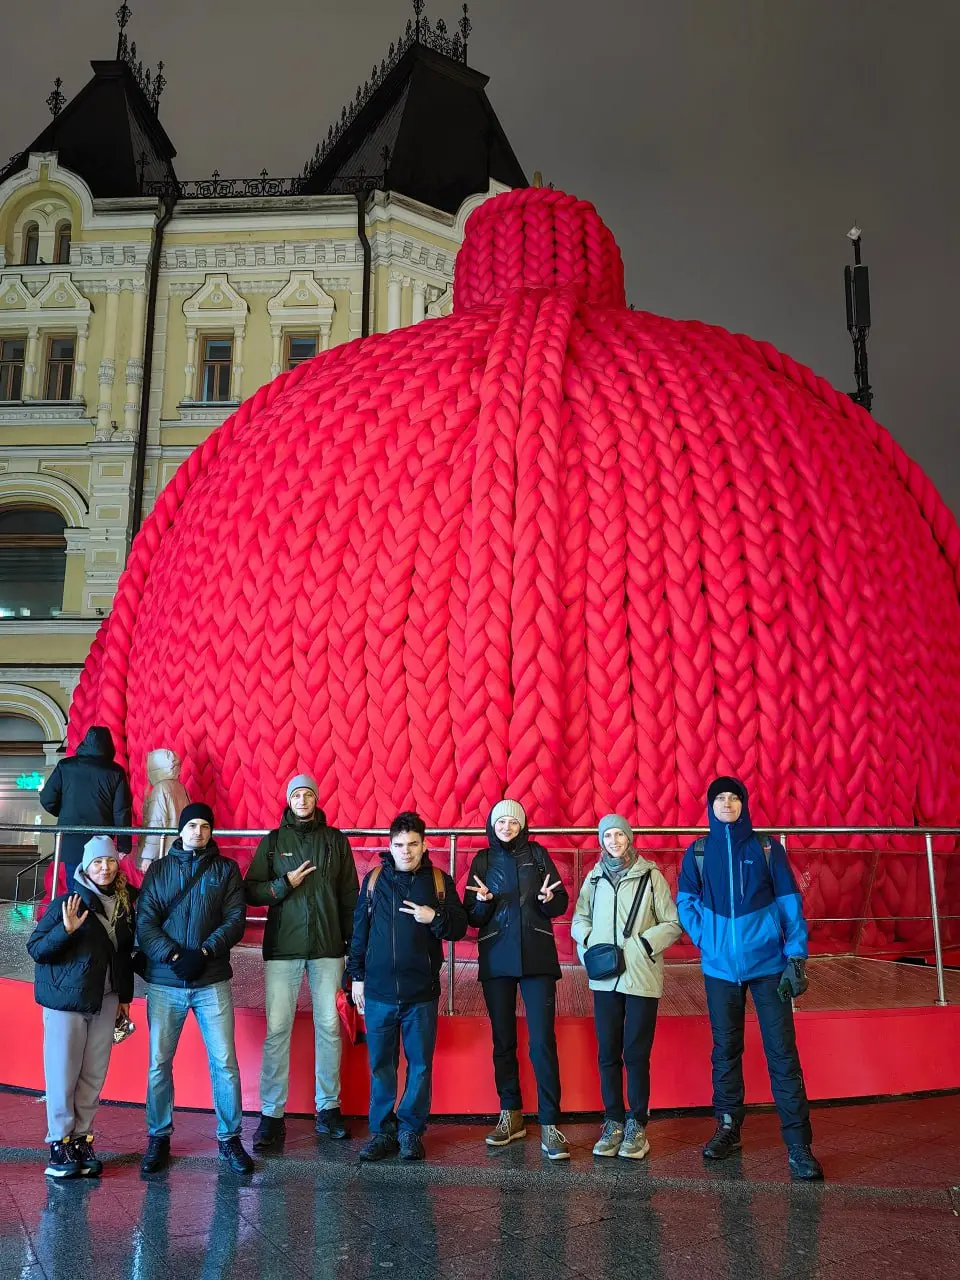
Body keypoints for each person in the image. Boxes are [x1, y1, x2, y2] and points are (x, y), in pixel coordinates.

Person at [676, 776, 823, 1181]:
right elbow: (685, 901)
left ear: (743, 804)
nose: (727, 804)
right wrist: (707, 938)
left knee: (782, 1053)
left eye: (733, 798)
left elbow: (790, 903)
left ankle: (799, 1145)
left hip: (769, 968)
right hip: (719, 971)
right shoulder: (698, 852)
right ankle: (728, 1128)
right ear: (710, 806)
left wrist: (796, 956)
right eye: (720, 798)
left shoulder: (767, 848)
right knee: (725, 1051)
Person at [136, 802, 253, 1175]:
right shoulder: (160, 870)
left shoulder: (225, 870)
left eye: (204, 826)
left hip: (211, 980)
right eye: (192, 826)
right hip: (165, 982)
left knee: (225, 1063)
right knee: (158, 1063)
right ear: (180, 830)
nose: (198, 832)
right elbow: (145, 921)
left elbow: (235, 920)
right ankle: (158, 1137)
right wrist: (173, 955)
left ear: (211, 831)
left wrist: (204, 952)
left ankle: (230, 1138)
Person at [244, 773, 359, 1150]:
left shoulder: (335, 841)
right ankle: (271, 1116)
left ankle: (329, 1108)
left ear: (316, 799)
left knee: (329, 1027)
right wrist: (283, 884)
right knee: (278, 1029)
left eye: (308, 794)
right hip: (283, 949)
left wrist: (353, 949)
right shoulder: (273, 842)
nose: (303, 800)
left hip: (328, 948)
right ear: (289, 800)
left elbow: (350, 897)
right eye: (297, 795)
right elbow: (251, 891)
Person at [347, 811, 467, 1162]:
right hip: (378, 992)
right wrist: (356, 977)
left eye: (413, 844)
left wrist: (435, 917)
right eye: (399, 845)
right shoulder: (373, 881)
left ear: (425, 845)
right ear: (390, 845)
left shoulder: (439, 881)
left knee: (420, 1066)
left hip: (421, 994)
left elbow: (459, 927)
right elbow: (359, 932)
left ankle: (410, 1130)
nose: (406, 851)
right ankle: (382, 1132)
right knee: (381, 1066)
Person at [464, 799, 570, 1160]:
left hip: (537, 956)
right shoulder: (483, 860)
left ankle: (550, 1123)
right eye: (500, 822)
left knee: (542, 1042)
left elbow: (559, 903)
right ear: (491, 826)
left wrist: (548, 900)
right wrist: (483, 902)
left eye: (513, 821)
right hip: (497, 956)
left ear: (522, 825)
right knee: (503, 1040)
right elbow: (472, 917)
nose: (506, 827)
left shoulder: (538, 855)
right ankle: (511, 1113)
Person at [571, 814, 682, 1159]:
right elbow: (579, 919)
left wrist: (643, 946)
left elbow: (672, 923)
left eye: (620, 835)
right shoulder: (594, 877)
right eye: (608, 836)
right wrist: (588, 943)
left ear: (629, 838)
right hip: (604, 978)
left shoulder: (650, 876)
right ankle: (613, 1121)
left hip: (640, 976)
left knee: (635, 1054)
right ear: (601, 841)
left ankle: (637, 1124)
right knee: (607, 1052)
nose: (614, 841)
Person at [27, 835, 136, 1179]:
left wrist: (124, 998)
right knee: (63, 1073)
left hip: (105, 1000)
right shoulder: (68, 901)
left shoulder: (123, 904)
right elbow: (37, 948)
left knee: (93, 1075)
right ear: (86, 867)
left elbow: (123, 956)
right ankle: (58, 1142)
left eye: (110, 861)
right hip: (67, 1002)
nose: (105, 868)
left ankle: (81, 1138)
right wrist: (66, 930)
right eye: (97, 862)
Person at [39, 726, 132, 886]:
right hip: (100, 841)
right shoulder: (116, 771)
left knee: (74, 887)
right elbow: (121, 811)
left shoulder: (65, 766)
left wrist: (65, 813)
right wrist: (123, 846)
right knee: (100, 888)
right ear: (109, 745)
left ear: (85, 742)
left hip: (70, 837)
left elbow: (47, 799)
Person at [140, 748, 190, 871]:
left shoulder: (160, 789)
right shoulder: (181, 787)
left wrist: (148, 856)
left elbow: (156, 823)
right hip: (179, 849)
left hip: (163, 852)